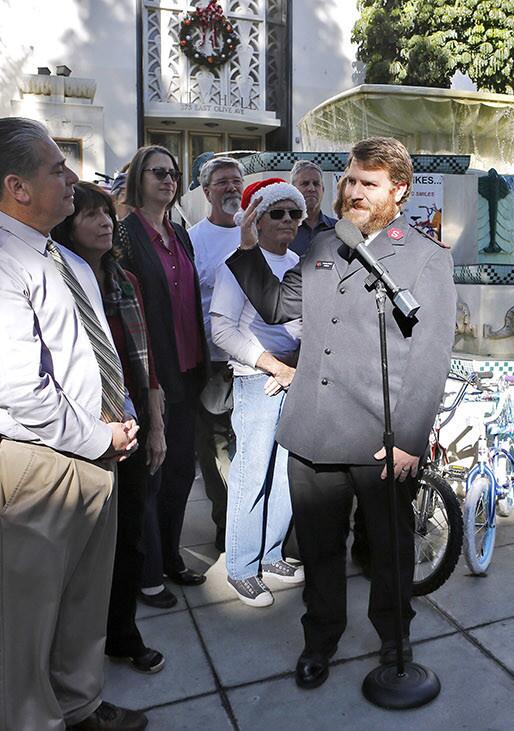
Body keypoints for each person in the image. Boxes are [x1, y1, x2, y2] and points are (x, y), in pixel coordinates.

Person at [225, 137, 456, 690]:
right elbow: (279, 306)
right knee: (322, 552)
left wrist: (410, 438)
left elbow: (430, 356)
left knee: (389, 553)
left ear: (397, 192)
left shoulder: (426, 258)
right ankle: (319, 641)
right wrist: (248, 247)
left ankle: (395, 641)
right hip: (313, 431)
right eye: (350, 179)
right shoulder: (323, 245)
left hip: (380, 437)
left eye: (367, 183)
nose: (352, 190)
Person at [0, 117, 146, 730]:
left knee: (84, 602)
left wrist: (123, 418)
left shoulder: (67, 259)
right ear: (17, 187)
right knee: (29, 623)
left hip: (91, 453)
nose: (72, 179)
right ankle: (36, 722)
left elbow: (92, 352)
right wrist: (97, 436)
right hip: (32, 464)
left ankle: (80, 707)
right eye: (57, 169)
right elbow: (22, 391)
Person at [52, 181, 168, 675]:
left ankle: (123, 634)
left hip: (131, 418)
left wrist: (156, 423)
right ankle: (73, 648)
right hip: (79, 423)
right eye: (90, 215)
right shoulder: (56, 281)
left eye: (107, 214)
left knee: (129, 536)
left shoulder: (125, 279)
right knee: (80, 544)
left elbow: (146, 364)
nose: (104, 222)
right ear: (66, 225)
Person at [117, 145, 209, 608]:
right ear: (138, 178)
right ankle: (147, 573)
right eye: (159, 172)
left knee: (177, 474)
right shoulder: (125, 235)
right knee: (150, 477)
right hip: (151, 373)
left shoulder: (180, 233)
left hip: (189, 368)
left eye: (173, 173)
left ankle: (170, 556)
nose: (169, 180)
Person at [210, 177, 307, 607]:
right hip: (257, 380)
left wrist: (297, 369)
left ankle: (270, 556)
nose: (287, 220)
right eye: (277, 212)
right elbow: (222, 330)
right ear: (256, 219)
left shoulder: (300, 262)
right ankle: (242, 567)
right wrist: (272, 364)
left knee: (286, 472)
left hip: (295, 378)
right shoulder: (237, 264)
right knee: (252, 473)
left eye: (294, 213)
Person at [187, 155, 246, 552]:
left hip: (257, 363)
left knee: (251, 448)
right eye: (222, 182)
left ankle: (252, 522)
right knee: (216, 451)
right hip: (213, 363)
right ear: (206, 192)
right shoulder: (192, 240)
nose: (230, 188)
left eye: (236, 181)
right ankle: (227, 525)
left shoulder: (256, 230)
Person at [288, 160, 336, 258]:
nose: (311, 188)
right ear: (292, 190)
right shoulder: (283, 229)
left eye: (316, 183)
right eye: (305, 184)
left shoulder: (337, 230)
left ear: (323, 190)